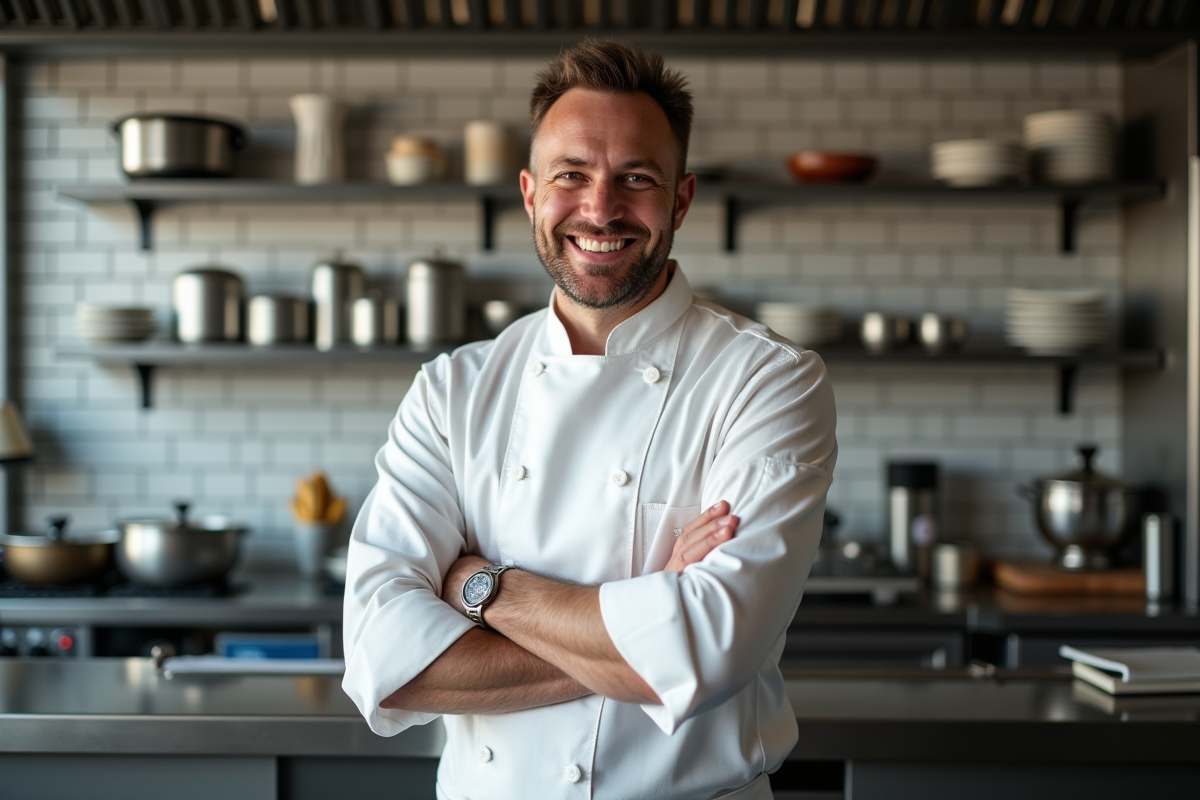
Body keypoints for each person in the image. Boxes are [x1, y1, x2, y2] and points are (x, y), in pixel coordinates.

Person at [343, 39, 837, 800]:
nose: (600, 208)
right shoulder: (452, 391)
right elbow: (385, 661)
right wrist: (648, 618)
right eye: (571, 175)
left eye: (635, 179)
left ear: (680, 199)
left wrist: (481, 590)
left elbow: (708, 651)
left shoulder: (766, 381)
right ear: (531, 193)